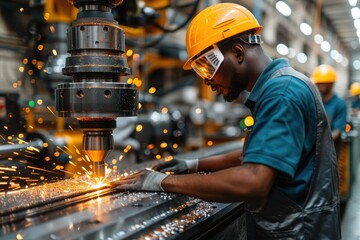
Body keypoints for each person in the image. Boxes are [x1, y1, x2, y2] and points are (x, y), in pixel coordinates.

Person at [112, 3, 341, 239]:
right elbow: (252, 156)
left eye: (208, 66)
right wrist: (194, 164)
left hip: (298, 232)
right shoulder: (281, 85)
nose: (207, 81)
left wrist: (160, 182)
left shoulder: (281, 93)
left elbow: (254, 180)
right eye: (201, 71)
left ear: (238, 53)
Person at [311, 64, 347, 158]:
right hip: (314, 151)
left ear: (331, 83)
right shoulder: (316, 101)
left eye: (322, 83)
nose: (319, 86)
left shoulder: (340, 104)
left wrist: (318, 141)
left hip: (331, 151)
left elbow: (337, 131)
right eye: (317, 83)